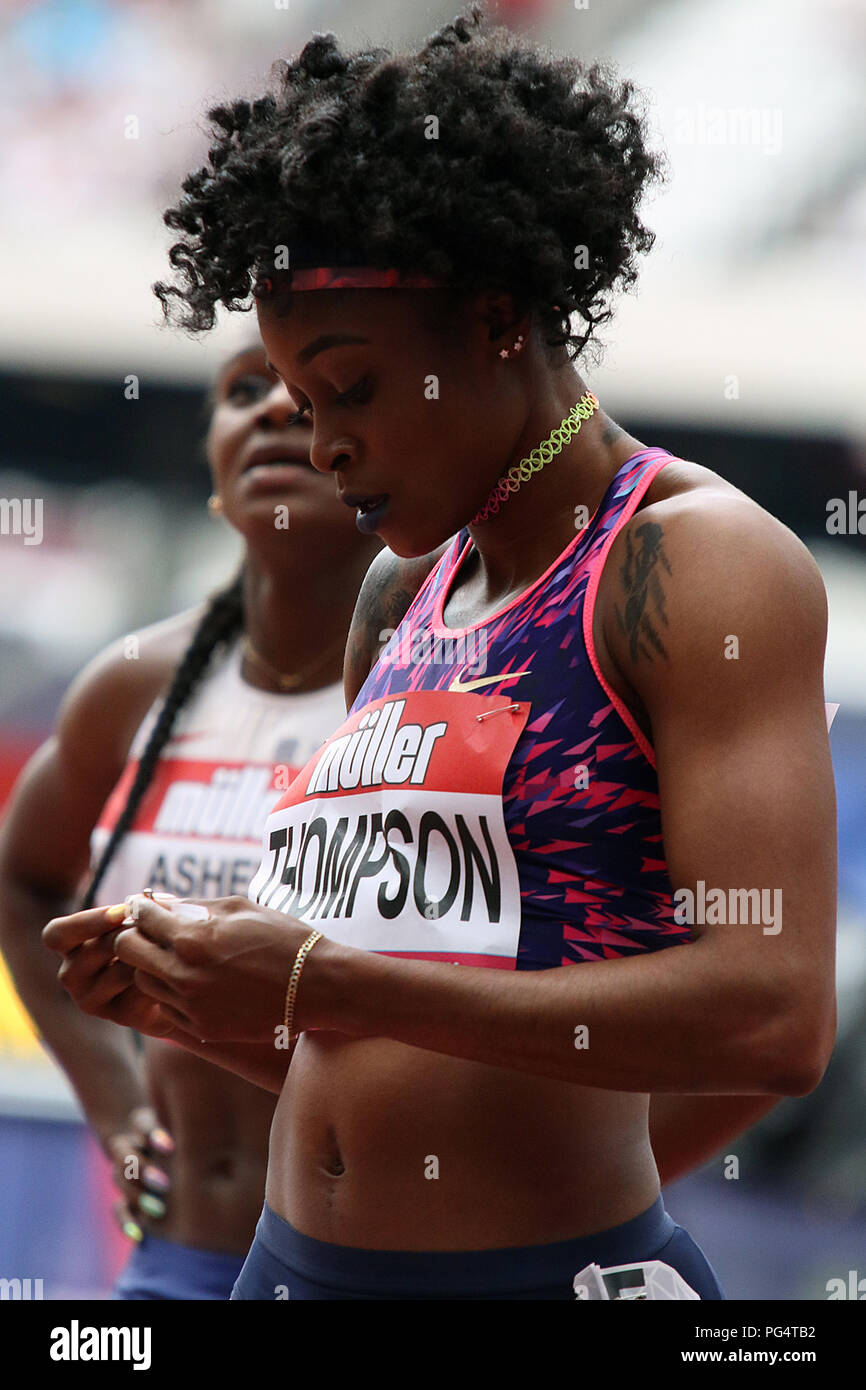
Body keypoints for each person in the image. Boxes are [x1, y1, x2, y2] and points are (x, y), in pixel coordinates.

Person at [43, 7, 836, 1300]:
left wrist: (320, 975)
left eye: (351, 389)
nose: (323, 445)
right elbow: (378, 1033)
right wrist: (213, 996)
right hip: (288, 1267)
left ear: (491, 320)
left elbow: (773, 1012)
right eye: (299, 403)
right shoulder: (396, 598)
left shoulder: (691, 562)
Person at [0, 339, 380, 1298]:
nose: (271, 413)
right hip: (180, 1260)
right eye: (243, 391)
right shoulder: (134, 684)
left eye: (311, 393)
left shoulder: (449, 680)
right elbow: (21, 880)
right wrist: (115, 1101)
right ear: (211, 469)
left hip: (377, 1267)